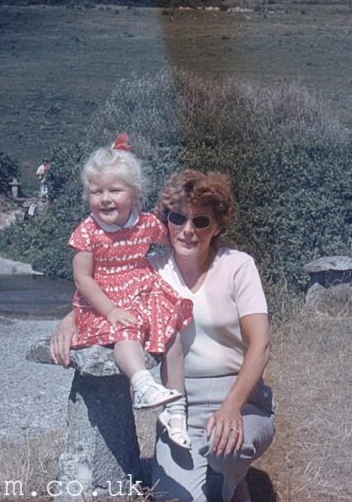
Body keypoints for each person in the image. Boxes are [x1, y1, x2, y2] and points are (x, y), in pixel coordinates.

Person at [51, 169, 275, 502]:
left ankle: (231, 481)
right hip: (181, 403)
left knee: (226, 451)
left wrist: (231, 407)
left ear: (217, 227)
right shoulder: (153, 268)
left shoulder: (237, 266)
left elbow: (261, 345)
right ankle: (221, 481)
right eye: (177, 218)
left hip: (241, 398)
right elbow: (105, 293)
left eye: (200, 222)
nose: (187, 230)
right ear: (165, 220)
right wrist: (68, 321)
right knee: (173, 498)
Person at [68, 134, 194, 448]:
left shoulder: (145, 223)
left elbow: (172, 238)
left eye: (114, 190)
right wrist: (110, 310)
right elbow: (83, 279)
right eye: (96, 191)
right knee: (125, 332)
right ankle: (141, 382)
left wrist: (195, 235)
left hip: (142, 292)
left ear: (134, 195)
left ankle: (176, 407)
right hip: (103, 301)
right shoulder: (88, 232)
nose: (105, 198)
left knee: (173, 333)